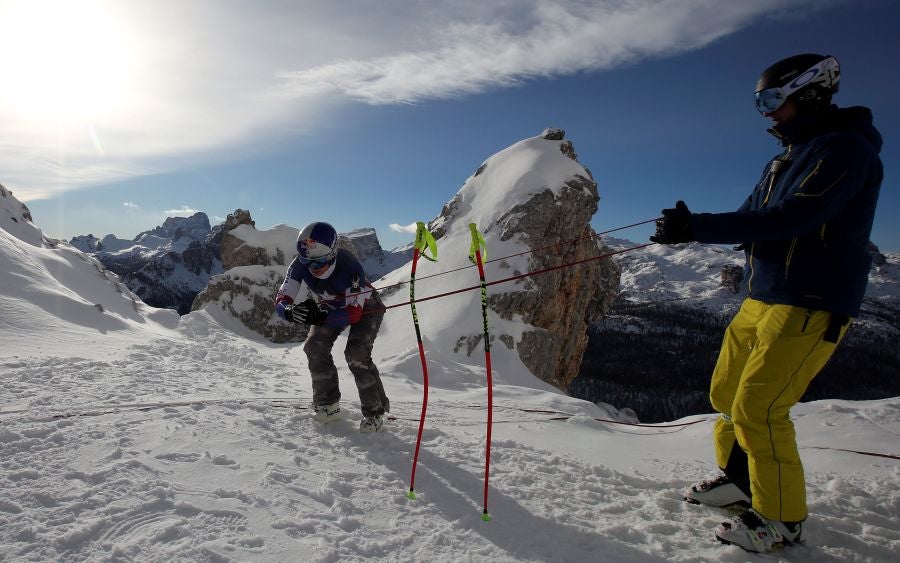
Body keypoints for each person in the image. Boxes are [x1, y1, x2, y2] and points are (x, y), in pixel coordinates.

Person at [651, 53, 883, 553]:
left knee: (762, 408)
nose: (767, 113)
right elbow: (752, 215)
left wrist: (702, 227)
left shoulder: (844, 149)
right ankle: (738, 483)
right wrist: (690, 228)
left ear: (812, 93)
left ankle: (782, 520)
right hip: (763, 293)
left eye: (774, 100)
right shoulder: (788, 155)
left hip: (810, 300)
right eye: (761, 101)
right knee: (727, 395)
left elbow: (795, 217)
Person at [275, 221, 390, 433]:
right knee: (314, 347)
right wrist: (289, 311)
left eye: (318, 263)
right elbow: (283, 297)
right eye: (306, 262)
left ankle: (375, 412)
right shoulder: (301, 263)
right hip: (331, 305)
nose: (312, 268)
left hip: (365, 306)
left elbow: (354, 315)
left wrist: (320, 315)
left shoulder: (350, 266)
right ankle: (327, 404)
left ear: (333, 254)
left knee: (356, 354)